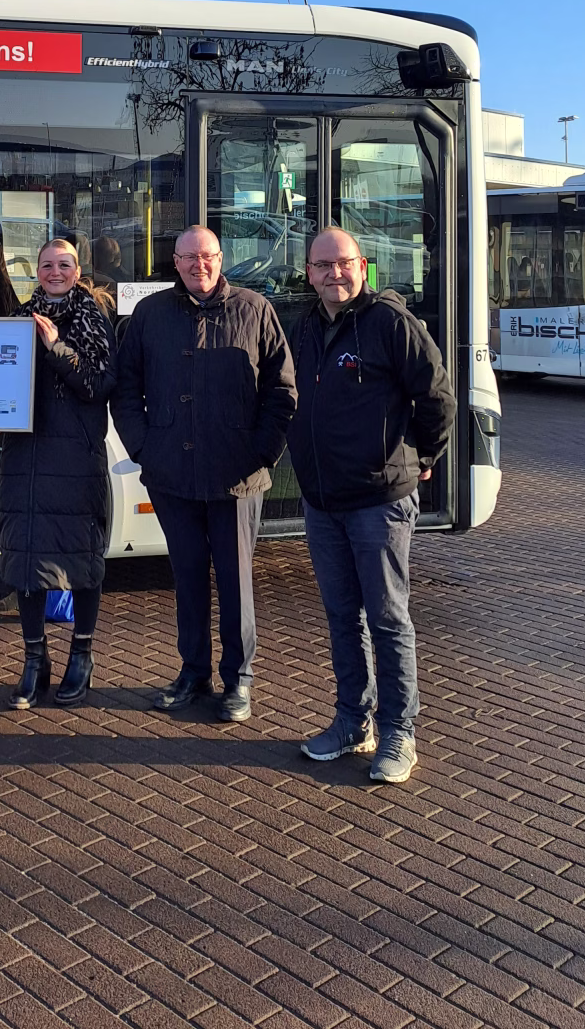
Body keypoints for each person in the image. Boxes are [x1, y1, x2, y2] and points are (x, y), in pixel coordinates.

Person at [287, 227, 456, 783]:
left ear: (363, 266)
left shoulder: (389, 323)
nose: (333, 274)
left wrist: (424, 455)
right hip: (323, 501)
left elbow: (436, 397)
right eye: (322, 266)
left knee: (387, 618)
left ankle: (399, 731)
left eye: (343, 264)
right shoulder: (308, 325)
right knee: (341, 616)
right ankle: (352, 721)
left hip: (377, 502)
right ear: (308, 272)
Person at [112, 224, 296, 722]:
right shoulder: (150, 314)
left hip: (238, 475)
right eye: (189, 257)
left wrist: (262, 454)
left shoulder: (255, 310)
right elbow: (124, 388)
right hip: (171, 472)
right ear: (175, 262)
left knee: (236, 582)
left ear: (222, 258)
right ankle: (193, 671)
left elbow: (283, 391)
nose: (200, 266)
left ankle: (238, 680)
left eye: (209, 256)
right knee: (187, 577)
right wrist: (145, 447)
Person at [0, 238, 118, 708]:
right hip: (25, 455)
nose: (54, 272)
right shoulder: (18, 318)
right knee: (26, 559)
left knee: (81, 560)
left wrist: (55, 346)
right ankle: (34, 660)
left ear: (78, 269)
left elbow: (98, 385)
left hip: (75, 455)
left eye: (63, 265)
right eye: (47, 265)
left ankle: (81, 656)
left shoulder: (92, 317)